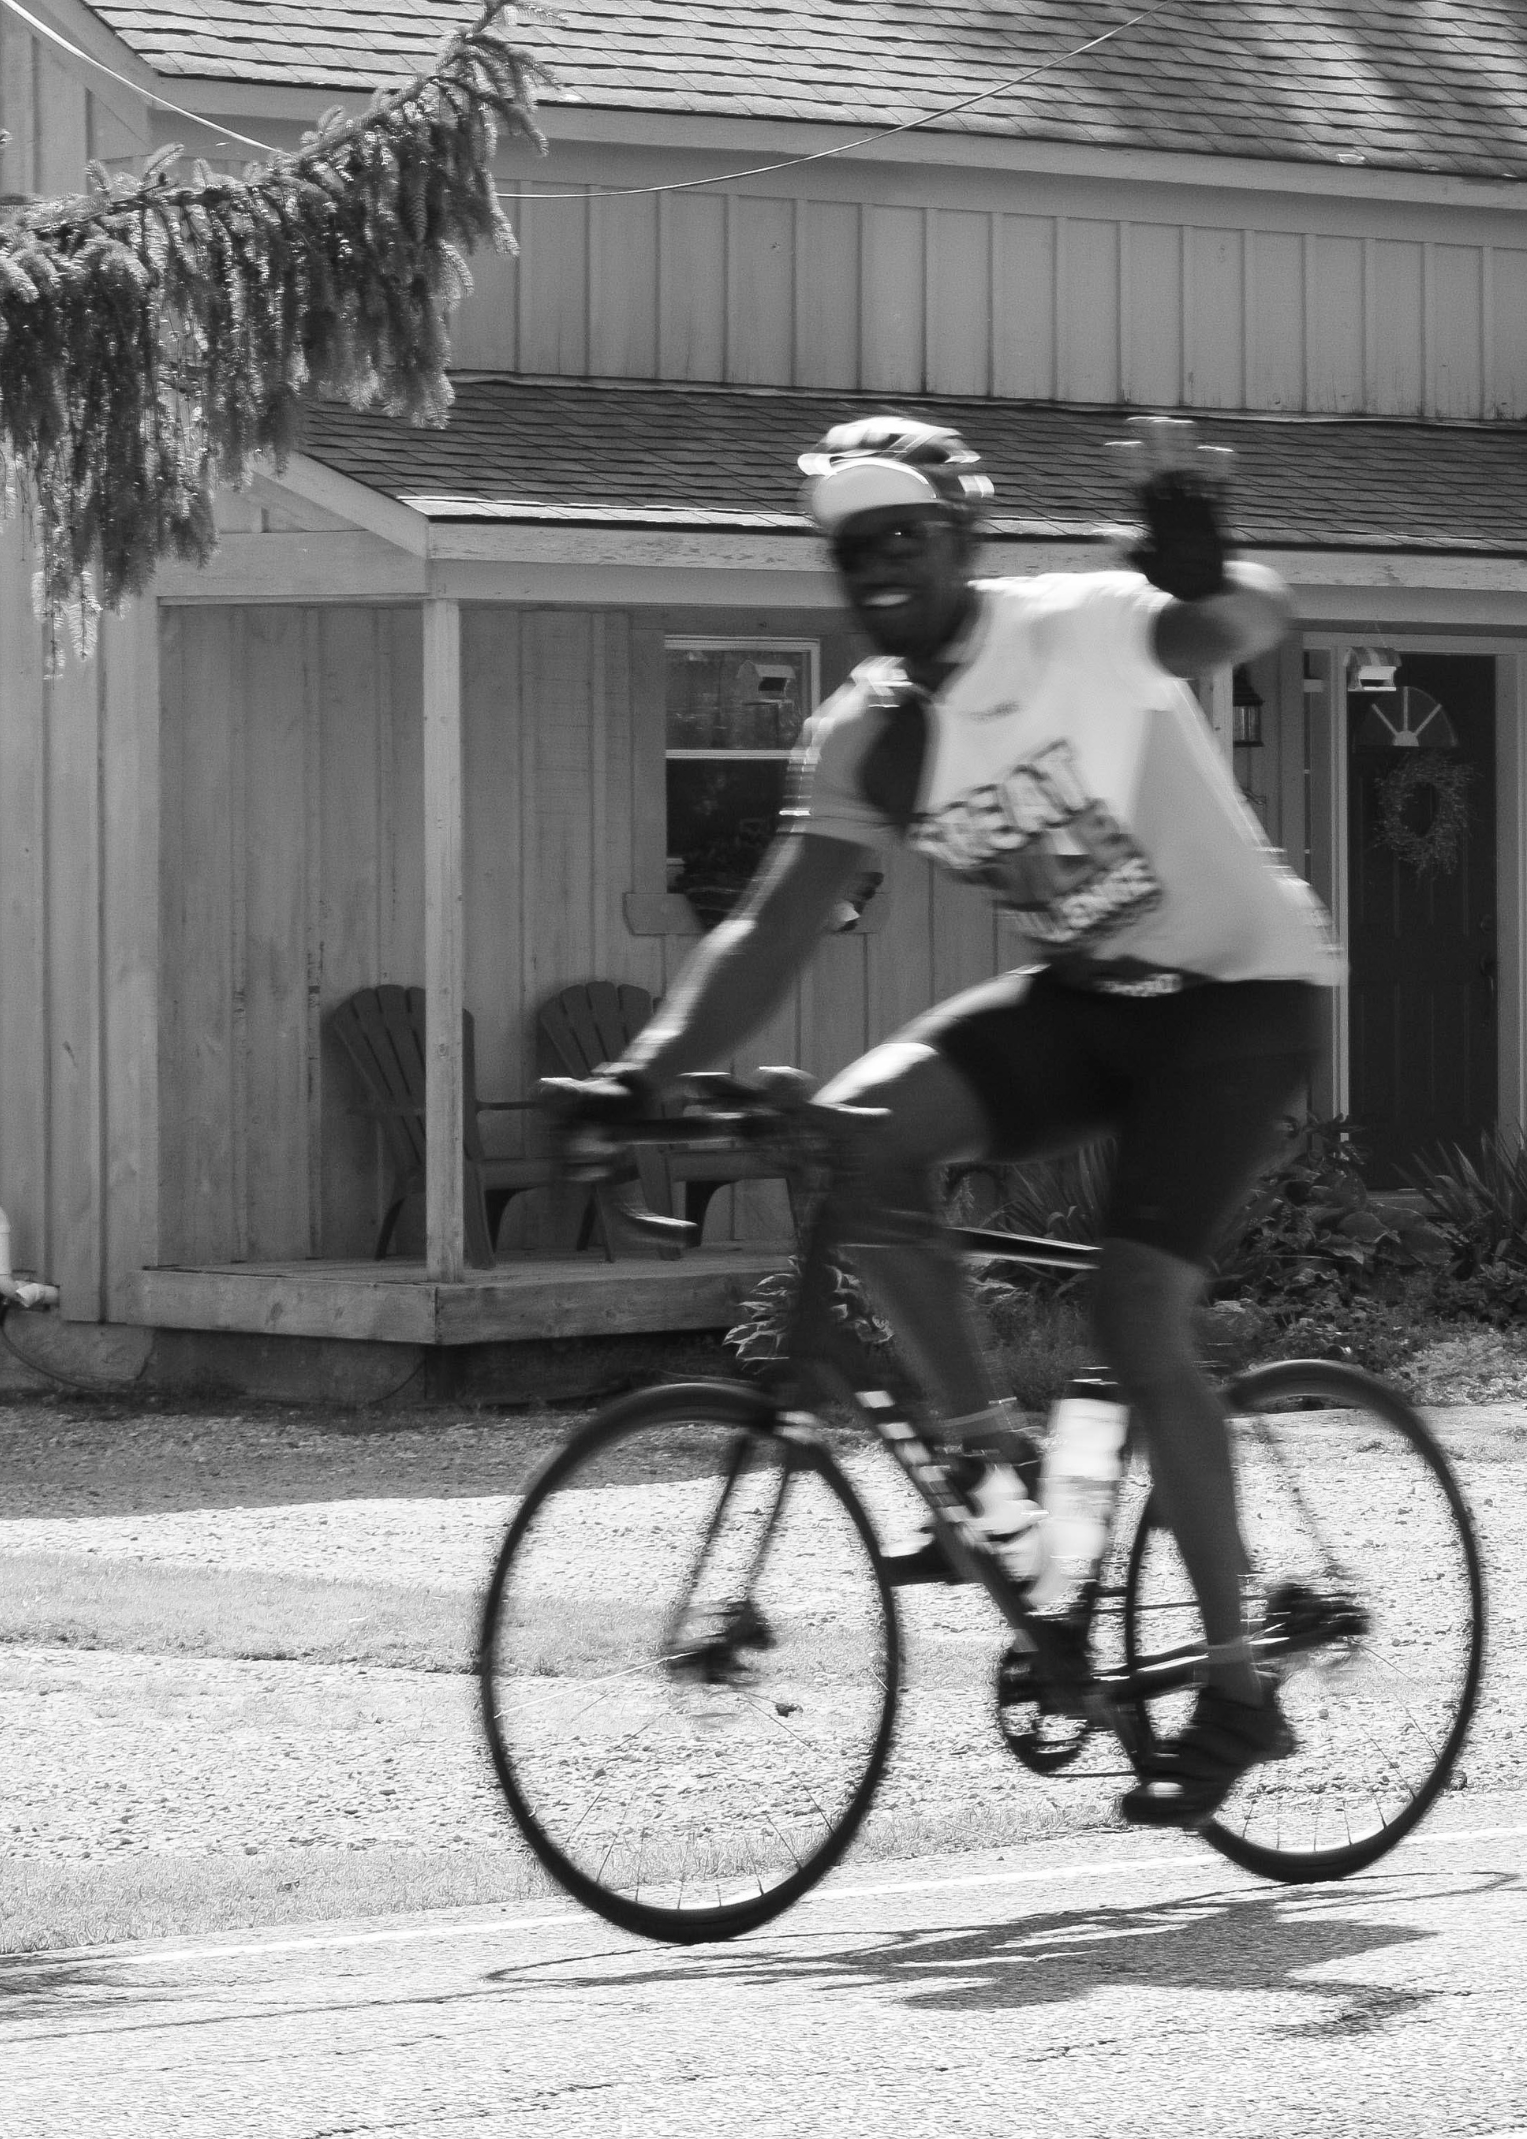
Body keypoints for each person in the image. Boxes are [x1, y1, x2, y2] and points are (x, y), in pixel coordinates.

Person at [550, 411, 1337, 1825]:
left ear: (964, 542)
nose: (881, 563)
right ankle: (987, 1457)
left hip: (1239, 998)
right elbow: (778, 925)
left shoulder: (1070, 627)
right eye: (855, 546)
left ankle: (1235, 1680)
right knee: (859, 1138)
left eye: (906, 533)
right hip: (1092, 997)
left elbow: (1242, 626)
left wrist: (1208, 565)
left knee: (1137, 1312)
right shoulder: (870, 733)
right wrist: (645, 1072)